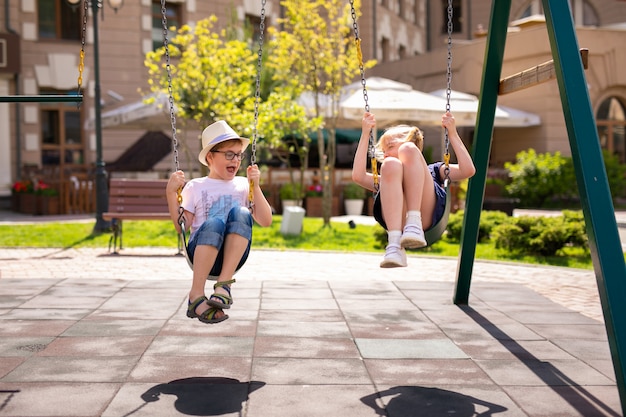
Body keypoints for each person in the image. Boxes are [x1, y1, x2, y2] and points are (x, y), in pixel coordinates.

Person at [166, 120, 273, 324]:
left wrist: (256, 187)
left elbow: (266, 221)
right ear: (210, 157)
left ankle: (224, 285)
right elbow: (182, 226)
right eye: (229, 154)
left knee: (242, 212)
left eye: (239, 155)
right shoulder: (195, 186)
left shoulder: (243, 185)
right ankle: (196, 294)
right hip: (202, 254)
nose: (236, 160)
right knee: (214, 223)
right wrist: (171, 193)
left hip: (231, 256)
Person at [352, 111, 475, 268]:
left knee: (405, 151)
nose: (386, 153)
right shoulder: (387, 177)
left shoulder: (434, 171)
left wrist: (452, 133)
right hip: (397, 220)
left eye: (389, 147)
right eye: (383, 151)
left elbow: (468, 171)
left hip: (427, 216)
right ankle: (394, 245)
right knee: (390, 165)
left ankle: (414, 222)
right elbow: (358, 176)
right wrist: (364, 134)